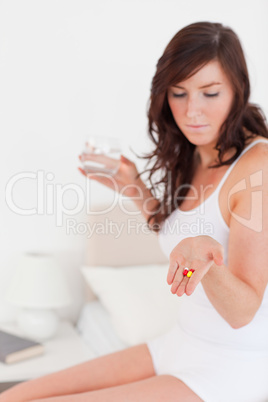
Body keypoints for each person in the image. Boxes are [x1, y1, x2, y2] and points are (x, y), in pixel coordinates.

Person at [1, 21, 268, 402]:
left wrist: (207, 256)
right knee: (14, 396)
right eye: (179, 93)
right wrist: (136, 189)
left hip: (230, 367)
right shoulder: (197, 150)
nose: (192, 111)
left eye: (210, 93)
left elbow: (243, 310)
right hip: (178, 343)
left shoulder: (258, 168)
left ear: (237, 91)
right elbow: (180, 236)